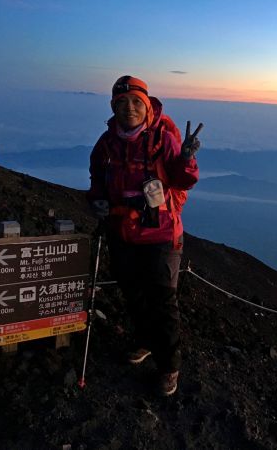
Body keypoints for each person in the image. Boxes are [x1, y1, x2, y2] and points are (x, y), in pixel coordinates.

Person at [87, 75, 202, 396]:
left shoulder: (162, 139)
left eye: (136, 102)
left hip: (160, 233)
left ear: (148, 105)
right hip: (121, 231)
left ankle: (169, 367)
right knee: (133, 294)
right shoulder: (106, 145)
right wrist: (96, 200)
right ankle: (143, 341)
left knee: (163, 300)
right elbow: (97, 181)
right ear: (113, 106)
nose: (129, 108)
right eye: (122, 103)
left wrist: (187, 157)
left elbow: (183, 180)